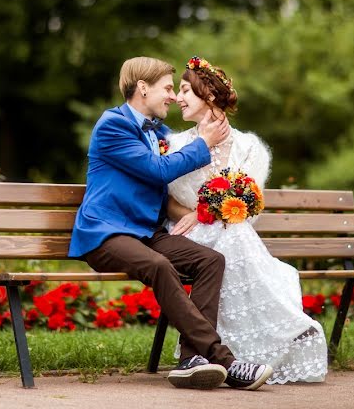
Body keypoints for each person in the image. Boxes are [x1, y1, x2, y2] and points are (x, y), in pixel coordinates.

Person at [68, 56, 274, 391]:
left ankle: (192, 361)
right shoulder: (113, 125)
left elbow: (176, 172)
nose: (172, 97)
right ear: (143, 88)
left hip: (146, 233)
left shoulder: (159, 132)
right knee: (160, 266)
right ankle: (225, 361)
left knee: (210, 260)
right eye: (167, 88)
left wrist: (206, 205)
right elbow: (159, 171)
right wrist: (204, 143)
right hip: (106, 233)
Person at [165, 56, 328, 384]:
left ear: (208, 95)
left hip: (234, 233)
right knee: (233, 237)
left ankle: (222, 353)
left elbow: (248, 204)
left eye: (185, 90)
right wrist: (195, 216)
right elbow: (168, 202)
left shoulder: (250, 147)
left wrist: (210, 213)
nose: (177, 98)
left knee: (234, 233)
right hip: (190, 236)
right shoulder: (177, 145)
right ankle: (284, 328)